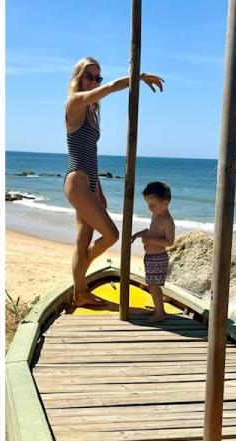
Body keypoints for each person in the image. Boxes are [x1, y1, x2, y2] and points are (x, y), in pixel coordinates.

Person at [63, 57, 164, 308]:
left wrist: (99, 189)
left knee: (83, 239)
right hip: (76, 180)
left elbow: (90, 153)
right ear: (78, 77)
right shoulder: (75, 102)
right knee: (111, 234)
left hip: (89, 181)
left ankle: (80, 292)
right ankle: (81, 277)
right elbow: (108, 90)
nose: (94, 82)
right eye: (89, 76)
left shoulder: (90, 111)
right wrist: (137, 78)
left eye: (98, 77)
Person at [131, 181, 175, 322]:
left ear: (165, 203)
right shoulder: (156, 215)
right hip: (150, 258)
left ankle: (160, 313)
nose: (150, 208)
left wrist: (150, 241)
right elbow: (150, 231)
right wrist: (137, 235)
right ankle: (159, 309)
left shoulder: (167, 221)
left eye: (153, 205)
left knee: (154, 286)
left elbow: (169, 241)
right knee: (151, 285)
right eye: (148, 205)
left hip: (158, 258)